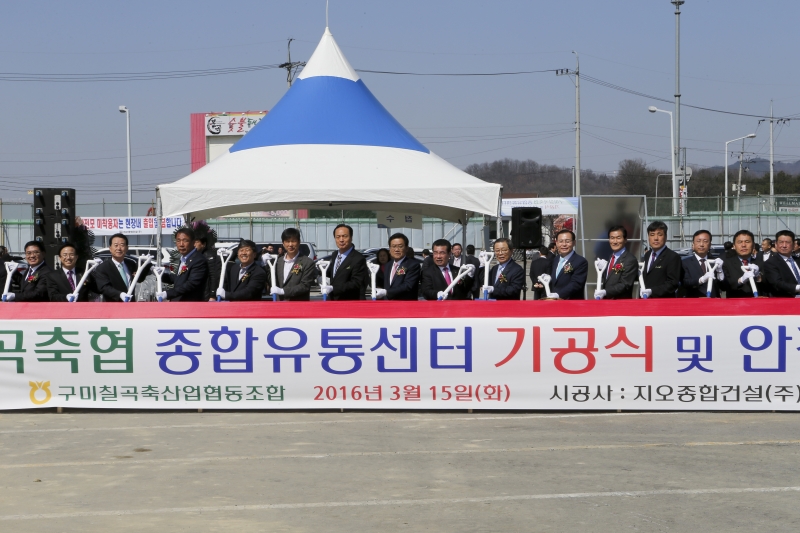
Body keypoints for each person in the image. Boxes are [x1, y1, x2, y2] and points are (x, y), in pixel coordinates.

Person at [157, 227, 209, 302]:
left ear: (193, 242)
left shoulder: (199, 260)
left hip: (190, 305)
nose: (181, 244)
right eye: (178, 241)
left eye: (185, 241)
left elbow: (191, 284)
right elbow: (179, 279)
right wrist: (160, 275)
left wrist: (168, 294)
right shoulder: (184, 258)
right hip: (179, 304)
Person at [93, 233, 143, 302]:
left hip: (131, 305)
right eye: (116, 245)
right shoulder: (103, 267)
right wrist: (120, 294)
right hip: (113, 306)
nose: (119, 248)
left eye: (122, 245)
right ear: (110, 248)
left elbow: (140, 279)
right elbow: (103, 287)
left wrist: (148, 264)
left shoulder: (131, 264)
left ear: (127, 248)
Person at [324, 224, 367, 300]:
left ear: (351, 238)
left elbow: (356, 283)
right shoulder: (334, 255)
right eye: (338, 237)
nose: (341, 240)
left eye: (345, 236)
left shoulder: (358, 258)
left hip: (349, 301)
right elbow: (334, 276)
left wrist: (334, 288)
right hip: (333, 301)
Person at [272, 228, 317, 301]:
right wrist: (265, 265)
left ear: (299, 242)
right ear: (283, 243)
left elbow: (305, 286)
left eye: (293, 241)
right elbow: (272, 281)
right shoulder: (278, 261)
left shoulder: (307, 262)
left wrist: (283, 291)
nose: (290, 244)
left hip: (298, 306)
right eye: (287, 241)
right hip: (280, 305)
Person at [594, 225, 638, 300]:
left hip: (621, 304)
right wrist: (603, 270)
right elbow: (610, 279)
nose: (615, 241)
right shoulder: (611, 256)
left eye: (618, 238)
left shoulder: (630, 259)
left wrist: (605, 292)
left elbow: (625, 284)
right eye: (612, 238)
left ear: (625, 240)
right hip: (608, 302)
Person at [640, 221, 681, 299]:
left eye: (660, 234)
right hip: (645, 301)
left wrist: (652, 291)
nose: (656, 238)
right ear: (648, 238)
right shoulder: (647, 255)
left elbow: (672, 283)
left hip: (663, 302)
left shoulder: (673, 257)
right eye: (652, 235)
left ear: (665, 237)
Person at [376, 233, 421, 300]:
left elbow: (407, 286)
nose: (397, 250)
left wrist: (387, 292)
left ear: (406, 248)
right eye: (393, 246)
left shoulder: (413, 265)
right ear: (390, 249)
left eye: (400, 246)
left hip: (404, 305)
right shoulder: (388, 265)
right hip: (388, 305)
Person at [721, 229, 765, 298]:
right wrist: (740, 280)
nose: (743, 245)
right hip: (735, 303)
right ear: (734, 246)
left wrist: (758, 277)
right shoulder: (726, 263)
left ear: (753, 245)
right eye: (740, 242)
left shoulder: (761, 264)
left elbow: (768, 285)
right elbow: (724, 286)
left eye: (747, 242)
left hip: (757, 304)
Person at [680, 230, 723, 298]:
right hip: (693, 301)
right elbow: (684, 282)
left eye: (705, 241)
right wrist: (701, 280)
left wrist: (720, 271)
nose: (701, 244)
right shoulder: (684, 262)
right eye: (698, 241)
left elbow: (723, 285)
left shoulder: (716, 262)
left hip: (714, 301)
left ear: (710, 245)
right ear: (693, 245)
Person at [547, 229, 587, 300]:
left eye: (567, 241)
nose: (564, 244)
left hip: (571, 303)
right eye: (561, 241)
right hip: (554, 303)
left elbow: (576, 284)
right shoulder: (555, 259)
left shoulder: (580, 261)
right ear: (556, 243)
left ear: (574, 242)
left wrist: (558, 294)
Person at [763, 229, 800, 298]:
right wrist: (798, 287)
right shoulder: (770, 263)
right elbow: (777, 283)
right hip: (786, 301)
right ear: (776, 244)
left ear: (793, 245)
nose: (784, 245)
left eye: (788, 242)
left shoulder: (797, 260)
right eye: (781, 242)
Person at [195, 235, 221, 301]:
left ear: (203, 244)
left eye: (197, 242)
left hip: (207, 295)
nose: (194, 244)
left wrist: (212, 294)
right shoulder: (197, 255)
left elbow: (213, 276)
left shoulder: (208, 256)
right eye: (193, 242)